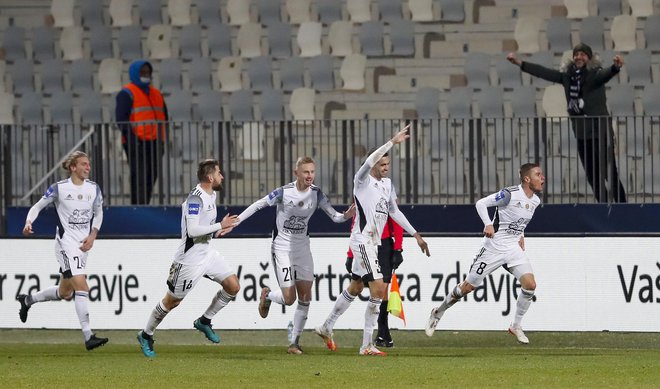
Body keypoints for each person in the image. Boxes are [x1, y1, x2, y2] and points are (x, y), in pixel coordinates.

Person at [315, 125, 430, 356]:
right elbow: (368, 162)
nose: (386, 168)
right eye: (382, 165)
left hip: (374, 243)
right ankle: (367, 345)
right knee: (379, 289)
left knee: (356, 287)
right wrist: (392, 142)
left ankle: (326, 326)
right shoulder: (362, 180)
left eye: (388, 165)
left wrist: (415, 234)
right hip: (362, 241)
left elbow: (394, 212)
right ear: (374, 163)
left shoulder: (387, 185)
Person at [235, 156, 355, 355]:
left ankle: (294, 343)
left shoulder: (317, 194)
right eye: (306, 172)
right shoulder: (284, 192)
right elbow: (259, 204)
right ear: (296, 173)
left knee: (305, 297)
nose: (310, 176)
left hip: (302, 248)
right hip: (281, 248)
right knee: (289, 298)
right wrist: (237, 220)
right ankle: (268, 296)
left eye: (312, 172)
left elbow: (334, 216)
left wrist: (345, 216)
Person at [425, 163, 545, 344]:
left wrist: (521, 234)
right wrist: (488, 223)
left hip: (513, 249)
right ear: (527, 179)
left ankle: (516, 325)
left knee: (530, 285)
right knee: (467, 288)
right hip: (493, 247)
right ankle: (438, 311)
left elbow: (518, 220)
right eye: (538, 174)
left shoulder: (535, 201)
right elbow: (481, 203)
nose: (542, 178)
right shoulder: (509, 194)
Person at [136, 159, 239, 358]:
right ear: (210, 177)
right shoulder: (195, 199)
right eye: (219, 173)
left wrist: (217, 231)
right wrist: (220, 225)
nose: (222, 176)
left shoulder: (212, 194)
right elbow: (192, 231)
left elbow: (203, 226)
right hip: (189, 261)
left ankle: (204, 321)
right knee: (171, 302)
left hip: (207, 253)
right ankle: (146, 334)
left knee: (233, 286)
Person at [507, 44, 626, 203]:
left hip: (601, 132)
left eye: (583, 54)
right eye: (577, 54)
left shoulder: (594, 74)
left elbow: (606, 74)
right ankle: (604, 207)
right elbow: (545, 73)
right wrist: (520, 63)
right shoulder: (567, 77)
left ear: (589, 58)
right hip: (583, 134)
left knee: (610, 173)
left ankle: (623, 208)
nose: (579, 57)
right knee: (593, 176)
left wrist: (615, 67)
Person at [17, 151, 108, 351]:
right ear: (72, 167)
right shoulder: (59, 188)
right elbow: (37, 206)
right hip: (66, 244)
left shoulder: (94, 189)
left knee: (65, 292)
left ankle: (27, 300)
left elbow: (99, 212)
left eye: (89, 165)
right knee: (82, 287)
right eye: (84, 164)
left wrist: (93, 235)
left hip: (83, 245)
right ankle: (88, 336)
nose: (88, 168)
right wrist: (28, 222)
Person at [344, 215, 404, 348]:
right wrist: (350, 254)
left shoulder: (385, 197)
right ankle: (379, 334)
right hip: (364, 245)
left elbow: (397, 222)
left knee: (382, 289)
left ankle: (383, 331)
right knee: (359, 287)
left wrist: (398, 249)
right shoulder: (360, 199)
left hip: (383, 245)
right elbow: (355, 228)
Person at [115, 60, 168, 205]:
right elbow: (121, 119)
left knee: (152, 175)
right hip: (136, 141)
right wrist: (131, 138)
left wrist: (162, 140)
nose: (146, 75)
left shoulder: (157, 93)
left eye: (148, 72)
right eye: (142, 72)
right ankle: (137, 206)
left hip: (155, 141)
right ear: (135, 74)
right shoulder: (126, 93)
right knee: (139, 176)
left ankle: (145, 203)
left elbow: (165, 116)